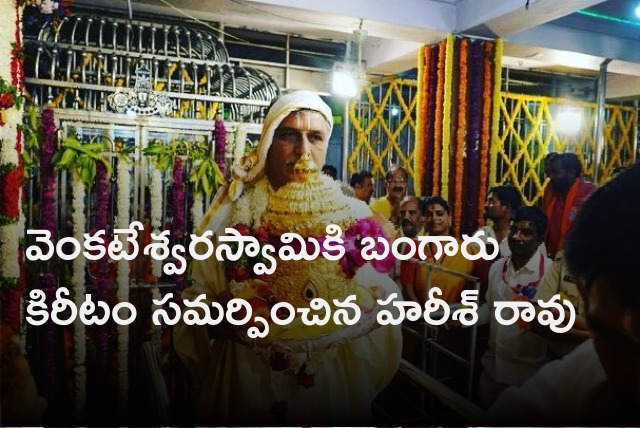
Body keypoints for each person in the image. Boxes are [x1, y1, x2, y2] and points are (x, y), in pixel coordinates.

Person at [174, 91, 401, 425]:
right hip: (247, 378)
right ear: (268, 140)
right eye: (289, 135)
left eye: (315, 137)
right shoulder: (231, 215)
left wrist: (372, 308)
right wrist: (217, 318)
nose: (303, 151)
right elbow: (195, 301)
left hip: (330, 382)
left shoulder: (352, 214)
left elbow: (381, 296)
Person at [486, 163, 639, 426]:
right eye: (612, 338)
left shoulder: (545, 269)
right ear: (583, 287)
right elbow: (537, 318)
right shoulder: (586, 373)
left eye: (526, 232)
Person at [478, 206, 552, 408]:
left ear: (541, 239)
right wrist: (467, 319)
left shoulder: (550, 274)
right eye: (514, 230)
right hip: (491, 371)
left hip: (527, 379)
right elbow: (489, 309)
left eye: (526, 232)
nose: (517, 237)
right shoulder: (497, 267)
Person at [404, 196, 476, 305]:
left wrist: (462, 313)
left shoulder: (468, 249)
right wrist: (421, 315)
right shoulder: (415, 246)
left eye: (440, 214)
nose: (434, 218)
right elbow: (407, 286)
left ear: (449, 218)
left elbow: (481, 286)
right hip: (421, 317)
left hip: (455, 316)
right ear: (423, 220)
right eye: (429, 215)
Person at [530, 250, 590, 358]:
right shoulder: (565, 258)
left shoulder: (622, 267)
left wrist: (559, 314)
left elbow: (613, 335)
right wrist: (585, 336)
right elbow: (536, 318)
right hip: (558, 359)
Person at [541, 153, 596, 259]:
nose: (550, 177)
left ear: (571, 173)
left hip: (576, 260)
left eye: (556, 173)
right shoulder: (550, 190)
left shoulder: (588, 192)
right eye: (550, 173)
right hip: (550, 257)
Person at [477, 185, 522, 258]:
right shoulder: (482, 234)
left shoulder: (519, 238)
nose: (485, 205)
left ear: (506, 207)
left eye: (491, 201)